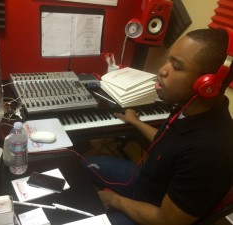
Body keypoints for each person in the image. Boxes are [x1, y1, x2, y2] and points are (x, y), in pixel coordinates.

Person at [82, 27, 233, 225]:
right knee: (84, 165)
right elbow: (167, 142)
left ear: (207, 85)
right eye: (169, 60)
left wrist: (116, 200)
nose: (162, 69)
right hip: (145, 182)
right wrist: (136, 122)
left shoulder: (209, 152)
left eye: (176, 66)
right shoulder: (187, 107)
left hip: (156, 213)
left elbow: (167, 220)